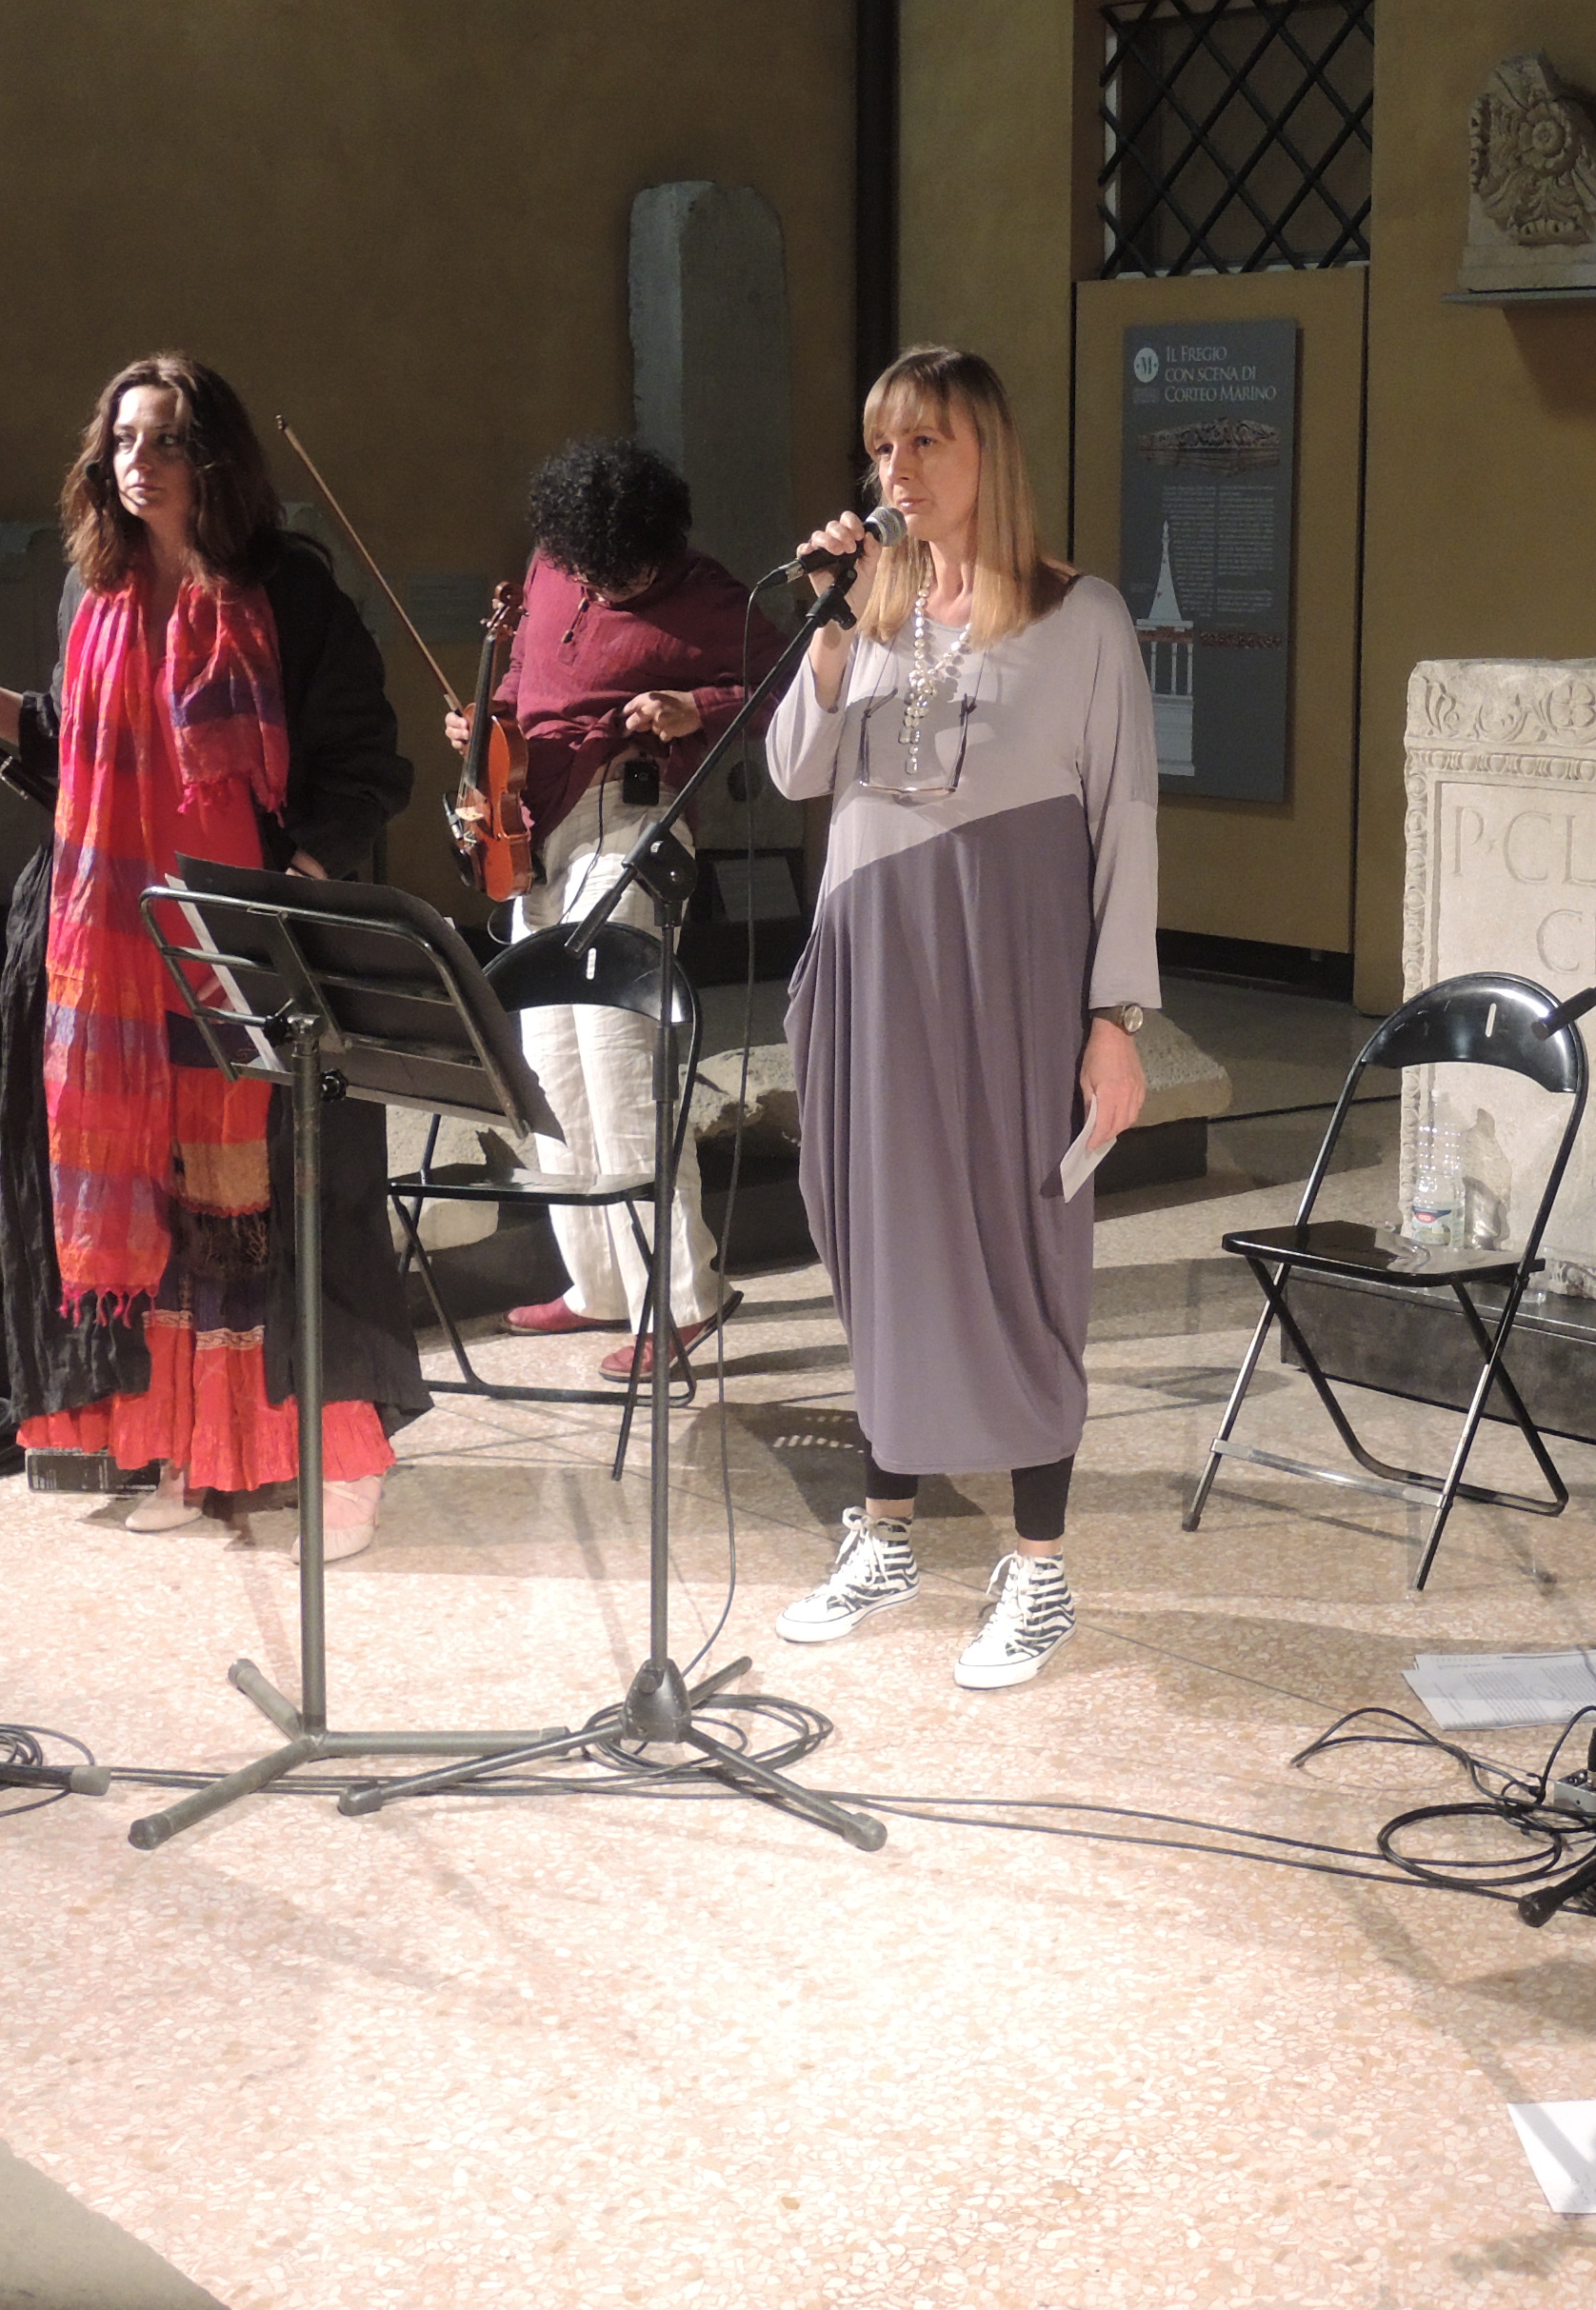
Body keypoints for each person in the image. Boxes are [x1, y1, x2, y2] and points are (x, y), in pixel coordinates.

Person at [0, 355, 423, 1555]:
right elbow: (60, 738)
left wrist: (292, 892)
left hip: (247, 946)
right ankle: (194, 1446)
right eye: (122, 440)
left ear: (214, 459)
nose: (138, 461)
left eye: (163, 439)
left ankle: (338, 1460)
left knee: (277, 1208)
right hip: (119, 948)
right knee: (161, 1208)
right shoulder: (97, 595)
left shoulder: (288, 592)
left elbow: (368, 763)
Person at [761, 347, 1158, 1689]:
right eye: (883, 446)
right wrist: (828, 628)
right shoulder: (868, 615)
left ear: (989, 452)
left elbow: (1127, 820)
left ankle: (1038, 1567)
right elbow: (796, 770)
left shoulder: (1081, 616)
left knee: (1021, 1251)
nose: (899, 470)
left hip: (1011, 973)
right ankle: (885, 1534)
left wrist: (1116, 1016)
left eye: (926, 442)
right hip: (873, 965)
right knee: (883, 1244)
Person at [447, 437, 788, 1379]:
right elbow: (522, 675)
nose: (606, 583)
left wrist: (697, 707)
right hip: (534, 820)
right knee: (549, 1059)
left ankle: (683, 1299)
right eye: (593, 569)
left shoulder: (708, 595)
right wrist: (485, 722)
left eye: (626, 570)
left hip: (628, 816)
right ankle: (599, 1282)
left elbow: (788, 688)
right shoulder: (554, 562)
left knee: (618, 1051)